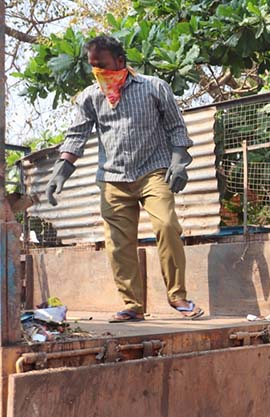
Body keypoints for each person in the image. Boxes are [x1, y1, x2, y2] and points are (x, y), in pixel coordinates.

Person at [47, 35, 203, 323]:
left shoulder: (154, 87)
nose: (97, 71)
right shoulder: (90, 97)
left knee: (167, 225)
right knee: (118, 244)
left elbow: (176, 127)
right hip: (113, 178)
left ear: (120, 61)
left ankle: (178, 297)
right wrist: (62, 168)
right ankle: (133, 305)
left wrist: (180, 160)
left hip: (153, 171)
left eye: (102, 65)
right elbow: (77, 135)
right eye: (93, 66)